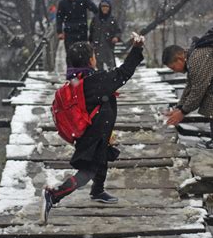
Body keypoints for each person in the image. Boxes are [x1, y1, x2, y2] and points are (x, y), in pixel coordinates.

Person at [40, 36, 145, 225]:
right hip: (94, 132)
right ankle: (54, 194)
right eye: (93, 55)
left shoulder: (74, 82)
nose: (95, 58)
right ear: (90, 60)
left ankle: (98, 191)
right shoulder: (96, 81)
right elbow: (123, 73)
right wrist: (137, 49)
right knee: (87, 171)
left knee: (101, 156)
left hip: (87, 132)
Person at [56, 0, 98, 67]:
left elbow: (95, 10)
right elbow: (59, 17)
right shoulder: (63, 3)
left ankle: (83, 73)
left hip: (82, 31)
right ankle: (71, 73)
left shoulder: (83, 0)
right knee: (70, 54)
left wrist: (97, 22)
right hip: (69, 32)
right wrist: (59, 31)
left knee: (83, 53)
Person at [89, 0, 121, 71]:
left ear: (109, 8)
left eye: (106, 6)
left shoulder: (112, 19)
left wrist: (116, 37)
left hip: (109, 46)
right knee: (98, 68)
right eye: (103, 6)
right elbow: (91, 32)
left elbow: (118, 31)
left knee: (111, 68)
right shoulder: (95, 19)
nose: (104, 8)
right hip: (97, 46)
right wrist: (91, 43)